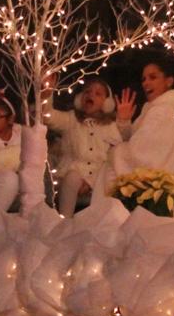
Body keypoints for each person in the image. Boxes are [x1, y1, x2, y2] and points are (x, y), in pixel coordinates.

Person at [105, 57, 174, 218]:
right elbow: (138, 141)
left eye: (153, 77)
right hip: (164, 195)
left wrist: (115, 152)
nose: (145, 83)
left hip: (161, 200)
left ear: (169, 81)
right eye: (144, 79)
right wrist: (124, 120)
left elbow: (142, 155)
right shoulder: (157, 108)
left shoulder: (167, 110)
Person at [44, 76, 122, 216]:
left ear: (106, 103)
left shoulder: (110, 126)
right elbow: (47, 116)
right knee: (72, 177)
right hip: (71, 179)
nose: (91, 95)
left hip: (100, 180)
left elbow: (117, 153)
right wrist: (47, 92)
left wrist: (91, 182)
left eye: (98, 93)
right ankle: (64, 221)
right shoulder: (71, 120)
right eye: (87, 91)